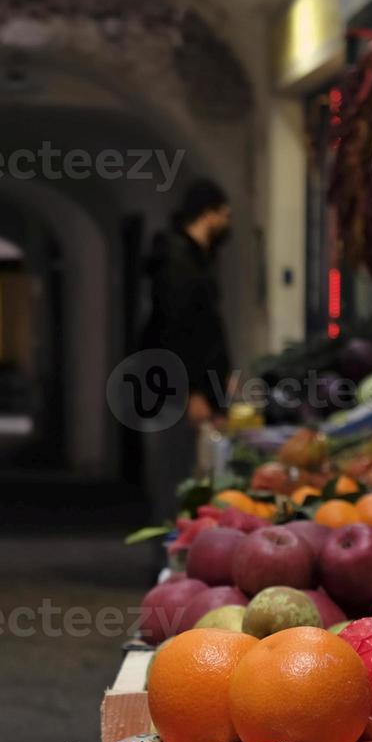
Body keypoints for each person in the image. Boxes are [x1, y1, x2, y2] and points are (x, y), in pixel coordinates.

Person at [139, 179, 234, 520]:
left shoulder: (195, 260)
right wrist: (191, 391)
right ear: (207, 215)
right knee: (175, 473)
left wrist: (220, 380)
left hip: (189, 388)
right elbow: (178, 331)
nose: (228, 223)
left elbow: (206, 331)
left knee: (185, 473)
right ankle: (169, 551)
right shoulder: (178, 263)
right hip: (175, 391)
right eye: (224, 215)